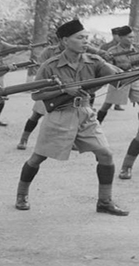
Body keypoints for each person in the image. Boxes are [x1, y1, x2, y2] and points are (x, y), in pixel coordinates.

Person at [15, 19, 129, 216]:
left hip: (86, 114)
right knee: (37, 158)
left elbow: (116, 78)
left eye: (87, 38)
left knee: (106, 155)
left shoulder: (94, 61)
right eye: (80, 38)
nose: (86, 42)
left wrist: (122, 73)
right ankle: (21, 195)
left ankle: (104, 201)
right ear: (66, 40)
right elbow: (36, 94)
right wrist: (64, 90)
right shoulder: (50, 65)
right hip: (59, 115)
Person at [17, 41, 112, 150]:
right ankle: (24, 139)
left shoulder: (82, 50)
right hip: (51, 90)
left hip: (74, 90)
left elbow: (99, 54)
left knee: (77, 116)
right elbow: (42, 69)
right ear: (64, 39)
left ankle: (73, 141)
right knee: (36, 115)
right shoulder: (49, 51)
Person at [97, 26, 139, 122]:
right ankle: (96, 126)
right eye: (129, 37)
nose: (132, 39)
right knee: (106, 105)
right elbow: (108, 68)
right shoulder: (112, 51)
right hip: (119, 81)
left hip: (135, 80)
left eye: (133, 37)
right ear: (120, 37)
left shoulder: (137, 48)